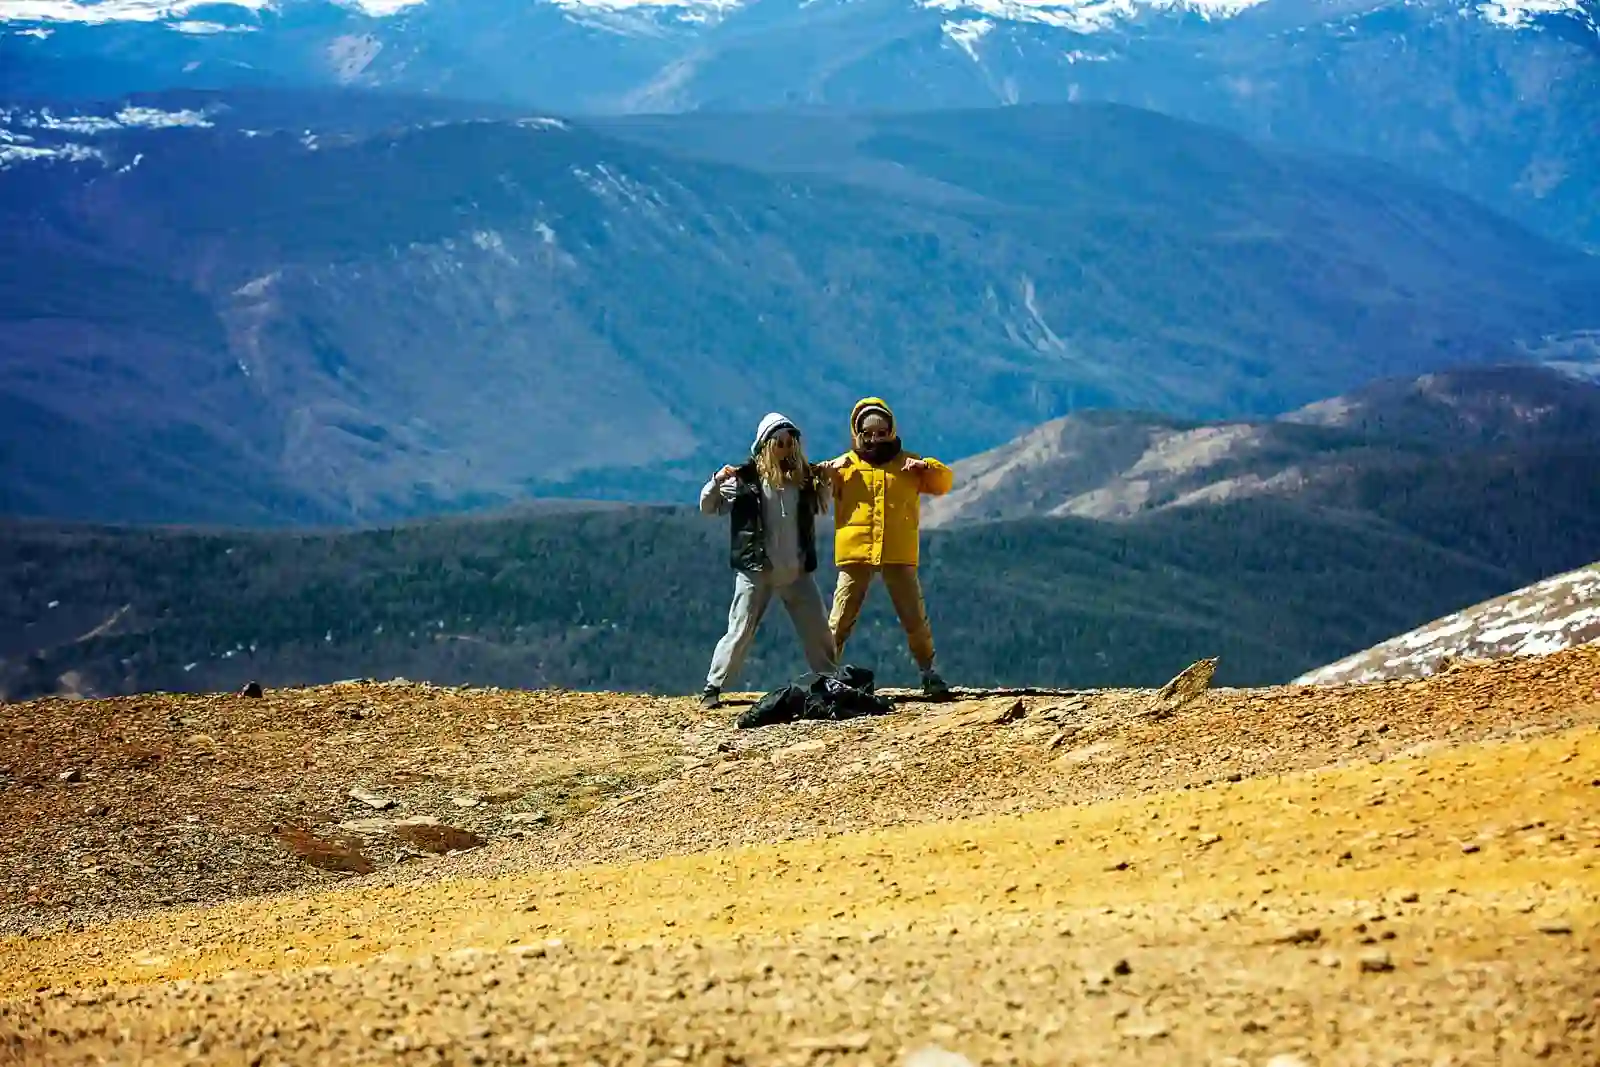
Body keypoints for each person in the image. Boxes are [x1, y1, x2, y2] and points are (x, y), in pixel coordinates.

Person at [698, 412, 838, 709]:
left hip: (796, 570)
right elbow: (709, 507)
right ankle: (714, 685)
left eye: (789, 443)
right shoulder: (744, 481)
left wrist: (827, 477)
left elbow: (823, 501)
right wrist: (716, 482)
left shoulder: (803, 480)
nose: (785, 449)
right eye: (779, 443)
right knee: (740, 629)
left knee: (817, 628)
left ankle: (829, 678)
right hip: (756, 570)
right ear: (765, 445)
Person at [819, 397, 954, 699]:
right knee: (840, 617)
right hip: (856, 552)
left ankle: (929, 673)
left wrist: (927, 466)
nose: (875, 438)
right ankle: (823, 675)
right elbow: (808, 488)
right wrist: (824, 473)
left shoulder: (909, 464)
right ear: (858, 433)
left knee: (914, 617)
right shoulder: (844, 466)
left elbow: (944, 483)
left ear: (892, 431)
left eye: (881, 432)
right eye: (868, 433)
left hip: (898, 551)